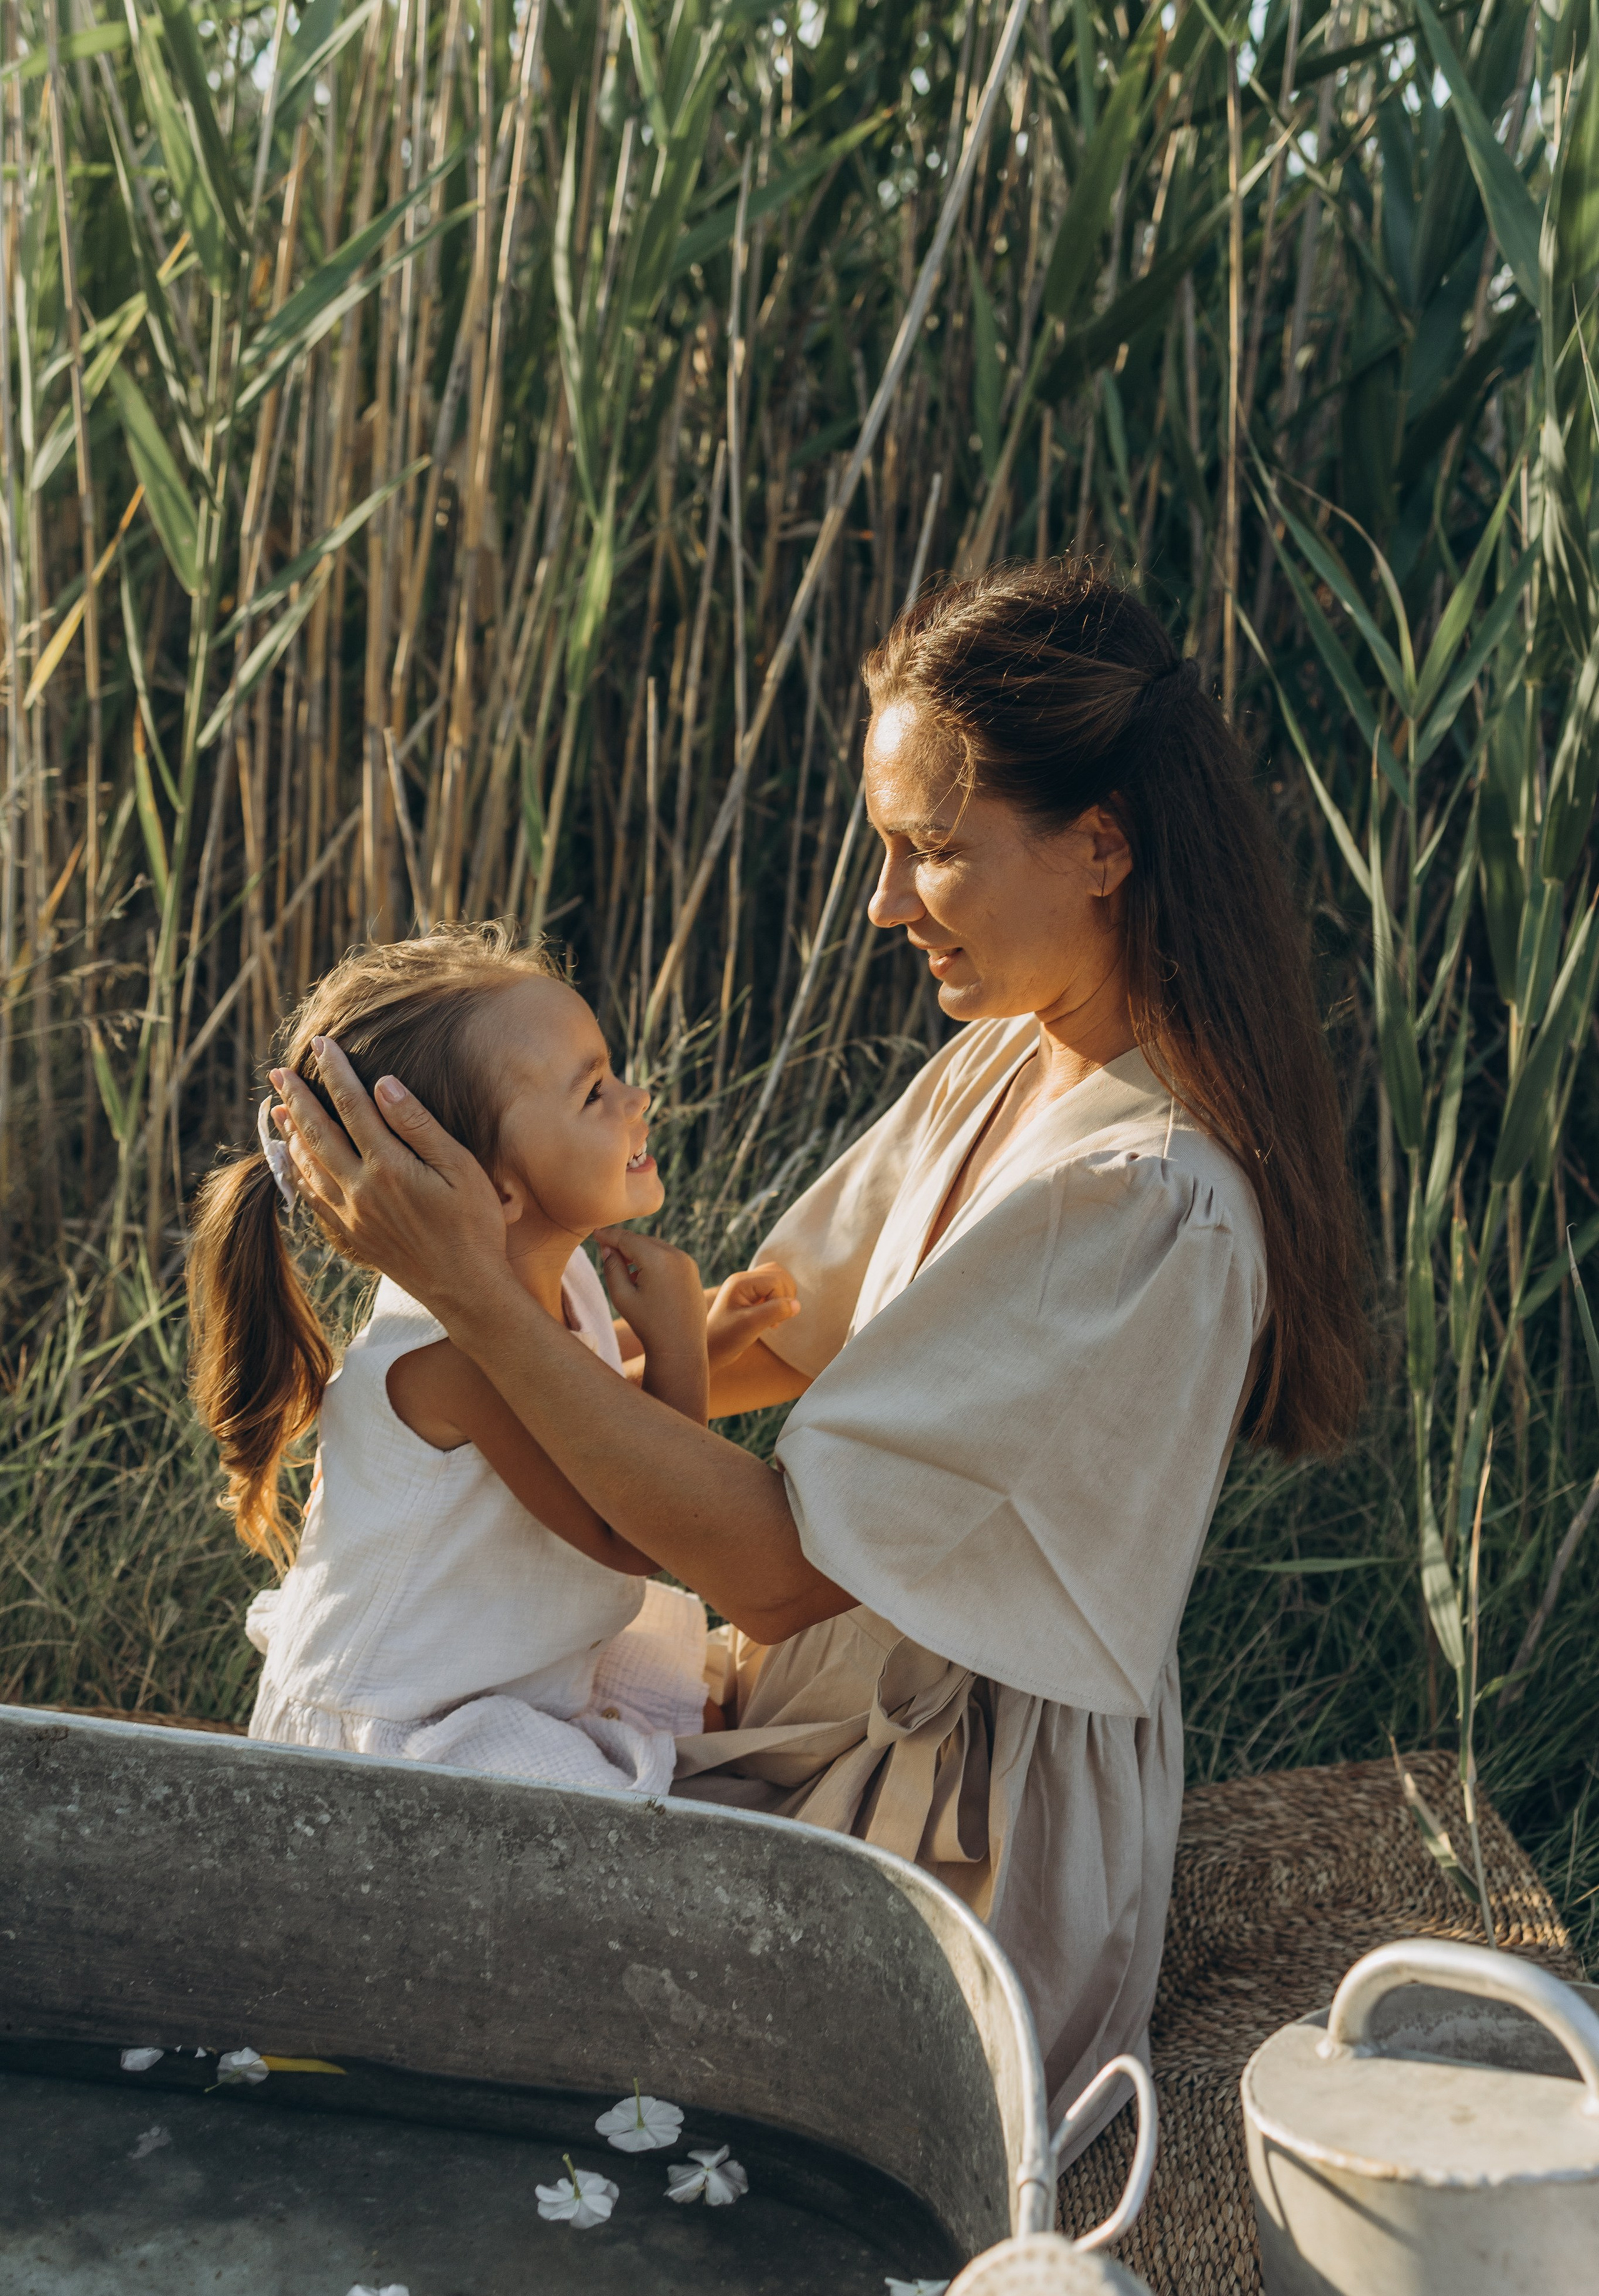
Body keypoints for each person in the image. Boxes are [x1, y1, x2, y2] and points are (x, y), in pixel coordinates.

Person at [267, 562, 1367, 2154]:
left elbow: (780, 1572)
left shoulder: (1146, 1206)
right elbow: (764, 1324)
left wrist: (475, 1295)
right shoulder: (1007, 1061)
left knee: (471, 2067)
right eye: (885, 848)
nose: (882, 903)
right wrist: (481, 1306)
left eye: (932, 852)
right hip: (828, 1707)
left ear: (1103, 846)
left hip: (961, 1825)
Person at [188, 925, 798, 1794]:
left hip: (489, 1661)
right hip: (403, 1733)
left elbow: (576, 1401)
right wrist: (675, 1357)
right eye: (593, 1094)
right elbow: (627, 1531)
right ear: (493, 1187)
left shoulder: (554, 1272)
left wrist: (705, 1332)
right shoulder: (452, 1358)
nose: (638, 1098)